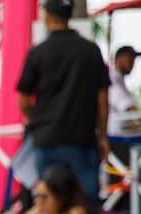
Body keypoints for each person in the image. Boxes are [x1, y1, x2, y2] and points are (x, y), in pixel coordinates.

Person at [16, 0, 110, 202]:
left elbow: (22, 101)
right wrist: (102, 135)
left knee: (49, 204)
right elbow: (102, 98)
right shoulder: (91, 50)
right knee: (87, 204)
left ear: (47, 16)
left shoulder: (38, 52)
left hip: (47, 139)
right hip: (83, 138)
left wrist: (39, 120)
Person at [108, 46, 139, 140]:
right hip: (115, 137)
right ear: (119, 58)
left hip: (123, 134)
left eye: (134, 58)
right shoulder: (112, 79)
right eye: (129, 57)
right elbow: (129, 108)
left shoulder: (120, 80)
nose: (132, 62)